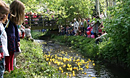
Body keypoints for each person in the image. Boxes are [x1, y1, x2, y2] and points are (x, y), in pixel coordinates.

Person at [5, 0, 25, 72]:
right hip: (8, 38)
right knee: (8, 54)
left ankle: (10, 68)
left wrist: (18, 40)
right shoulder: (8, 17)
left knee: (12, 53)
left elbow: (16, 31)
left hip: (12, 38)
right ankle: (7, 68)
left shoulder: (14, 20)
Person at [0, 1, 9, 77]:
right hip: (0, 52)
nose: (4, 15)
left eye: (6, 14)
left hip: (2, 52)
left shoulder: (1, 24)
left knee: (1, 70)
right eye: (2, 13)